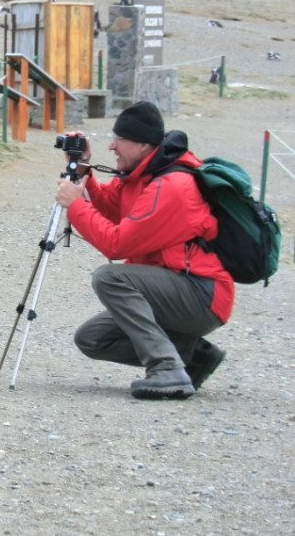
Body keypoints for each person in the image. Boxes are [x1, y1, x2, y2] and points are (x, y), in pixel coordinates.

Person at [55, 101, 233, 399]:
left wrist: (75, 206)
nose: (111, 147)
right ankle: (193, 357)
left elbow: (117, 244)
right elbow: (114, 207)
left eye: (119, 139)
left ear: (143, 144)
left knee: (110, 277)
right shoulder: (145, 174)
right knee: (93, 339)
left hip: (202, 293)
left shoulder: (172, 186)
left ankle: (166, 368)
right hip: (176, 288)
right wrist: (85, 171)